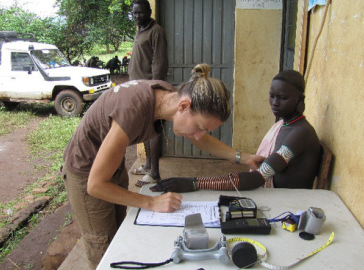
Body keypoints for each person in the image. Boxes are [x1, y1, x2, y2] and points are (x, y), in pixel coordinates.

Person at [62, 64, 264, 269]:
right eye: (200, 127)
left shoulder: (169, 97)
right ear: (184, 106)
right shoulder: (133, 111)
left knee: (118, 233)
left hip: (111, 165)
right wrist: (151, 203)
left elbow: (199, 139)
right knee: (103, 245)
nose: (197, 135)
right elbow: (96, 185)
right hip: (85, 170)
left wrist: (244, 158)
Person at [150, 70, 321, 193]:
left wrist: (194, 183)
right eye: (272, 96)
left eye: (283, 98)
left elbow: (258, 178)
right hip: (277, 198)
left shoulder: (300, 134)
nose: (275, 103)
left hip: (292, 204)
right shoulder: (284, 125)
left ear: (300, 99)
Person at [128, 0, 169, 187]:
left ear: (149, 12)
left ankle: (155, 173)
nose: (137, 16)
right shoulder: (140, 30)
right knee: (144, 128)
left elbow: (159, 63)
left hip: (149, 89)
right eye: (134, 13)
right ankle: (147, 165)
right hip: (137, 88)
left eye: (140, 13)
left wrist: (154, 88)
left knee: (154, 130)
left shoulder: (156, 31)